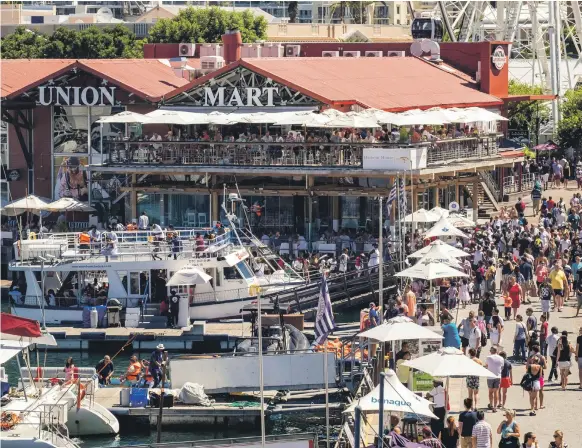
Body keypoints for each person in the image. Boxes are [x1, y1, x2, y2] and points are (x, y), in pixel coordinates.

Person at [485, 346, 503, 411]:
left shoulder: (488, 357)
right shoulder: (501, 358)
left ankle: (491, 404)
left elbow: (486, 365)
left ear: (491, 351)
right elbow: (502, 367)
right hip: (498, 376)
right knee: (496, 392)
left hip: (490, 376)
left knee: (490, 392)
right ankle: (495, 407)